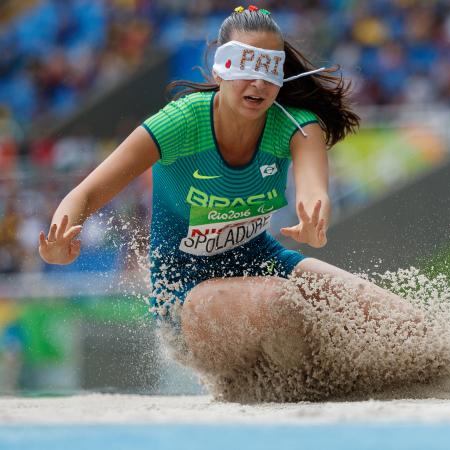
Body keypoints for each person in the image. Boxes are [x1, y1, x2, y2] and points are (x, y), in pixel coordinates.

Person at [37, 6, 423, 392]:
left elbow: (313, 187)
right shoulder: (180, 123)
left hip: (263, 262)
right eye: (245, 66)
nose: (258, 82)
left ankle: (444, 371)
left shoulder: (296, 126)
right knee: (279, 305)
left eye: (269, 69)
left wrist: (314, 210)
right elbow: (85, 192)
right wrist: (57, 242)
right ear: (221, 69)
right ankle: (335, 383)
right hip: (186, 296)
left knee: (405, 324)